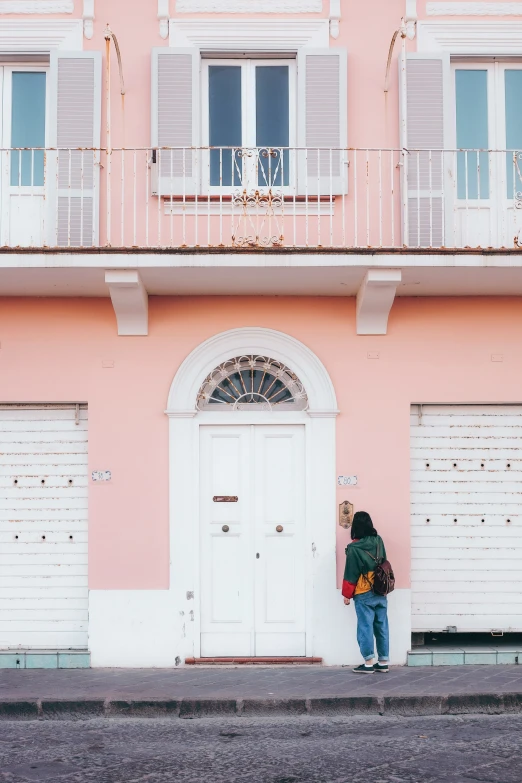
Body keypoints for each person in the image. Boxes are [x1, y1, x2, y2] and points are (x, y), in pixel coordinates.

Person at [342, 511, 390, 673]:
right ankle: (383, 662)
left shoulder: (353, 548)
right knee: (382, 625)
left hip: (363, 591)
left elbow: (351, 573)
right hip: (380, 588)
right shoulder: (378, 541)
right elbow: (383, 561)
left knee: (365, 626)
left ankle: (368, 662)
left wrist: (347, 595)